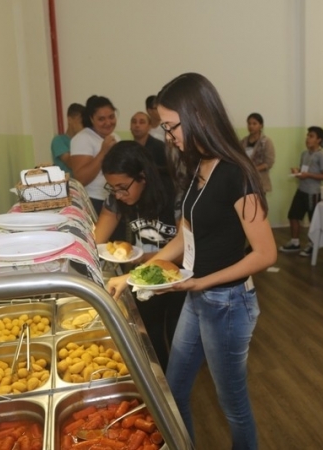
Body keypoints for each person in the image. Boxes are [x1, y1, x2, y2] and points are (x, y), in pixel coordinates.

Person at [109, 72, 277, 449]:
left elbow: (266, 254)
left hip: (229, 303)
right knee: (175, 389)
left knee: (233, 407)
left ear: (197, 115)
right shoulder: (198, 166)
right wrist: (135, 274)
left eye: (171, 126)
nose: (169, 136)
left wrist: (202, 281)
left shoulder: (237, 174)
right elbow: (185, 236)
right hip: (198, 296)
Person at [96, 141, 184, 372]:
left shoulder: (174, 192)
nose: (118, 194)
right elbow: (97, 239)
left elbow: (185, 246)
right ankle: (164, 384)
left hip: (178, 277)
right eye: (112, 187)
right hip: (140, 279)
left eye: (123, 187)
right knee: (151, 336)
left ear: (142, 176)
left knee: (179, 339)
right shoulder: (117, 197)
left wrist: (146, 259)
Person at [279, 126, 323, 256]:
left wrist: (309, 175)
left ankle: (312, 244)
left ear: (319, 140)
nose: (307, 138)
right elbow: (303, 170)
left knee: (313, 220)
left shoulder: (321, 155)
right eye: (307, 135)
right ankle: (295, 242)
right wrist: (297, 171)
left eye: (311, 136)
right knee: (293, 216)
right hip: (301, 190)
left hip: (313, 193)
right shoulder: (304, 154)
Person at [70, 95, 121, 216]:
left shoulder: (116, 137)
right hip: (93, 201)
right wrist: (103, 152)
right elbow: (81, 179)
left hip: (115, 199)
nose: (108, 122)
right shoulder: (82, 139)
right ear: (91, 119)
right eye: (101, 119)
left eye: (111, 117)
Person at [240, 113, 276, 193]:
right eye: (249, 124)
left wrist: (253, 169)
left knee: (259, 204)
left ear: (261, 125)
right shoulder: (243, 141)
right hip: (246, 181)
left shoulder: (266, 142)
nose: (251, 126)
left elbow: (269, 162)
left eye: (254, 124)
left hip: (260, 181)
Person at [50, 103, 84, 176]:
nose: (83, 125)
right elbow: (71, 163)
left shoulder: (85, 141)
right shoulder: (58, 140)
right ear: (69, 120)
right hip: (67, 185)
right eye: (80, 121)